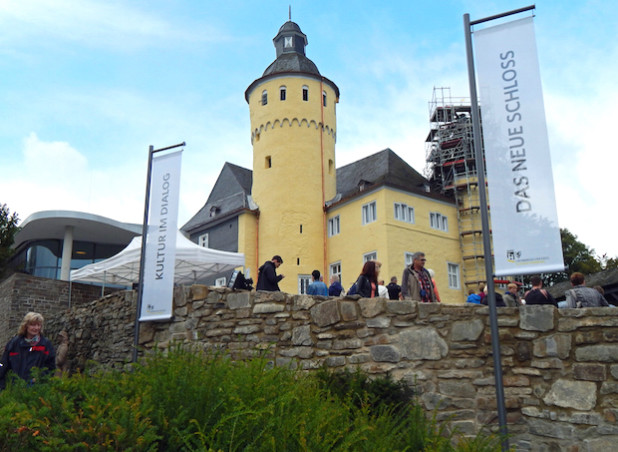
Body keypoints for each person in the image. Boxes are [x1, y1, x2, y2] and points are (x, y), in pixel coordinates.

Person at [0, 312, 56, 390]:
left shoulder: (46, 345)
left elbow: (51, 367)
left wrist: (39, 377)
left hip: (37, 389)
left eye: (38, 325)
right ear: (26, 326)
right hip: (15, 388)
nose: (36, 328)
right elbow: (3, 364)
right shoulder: (14, 343)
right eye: (33, 325)